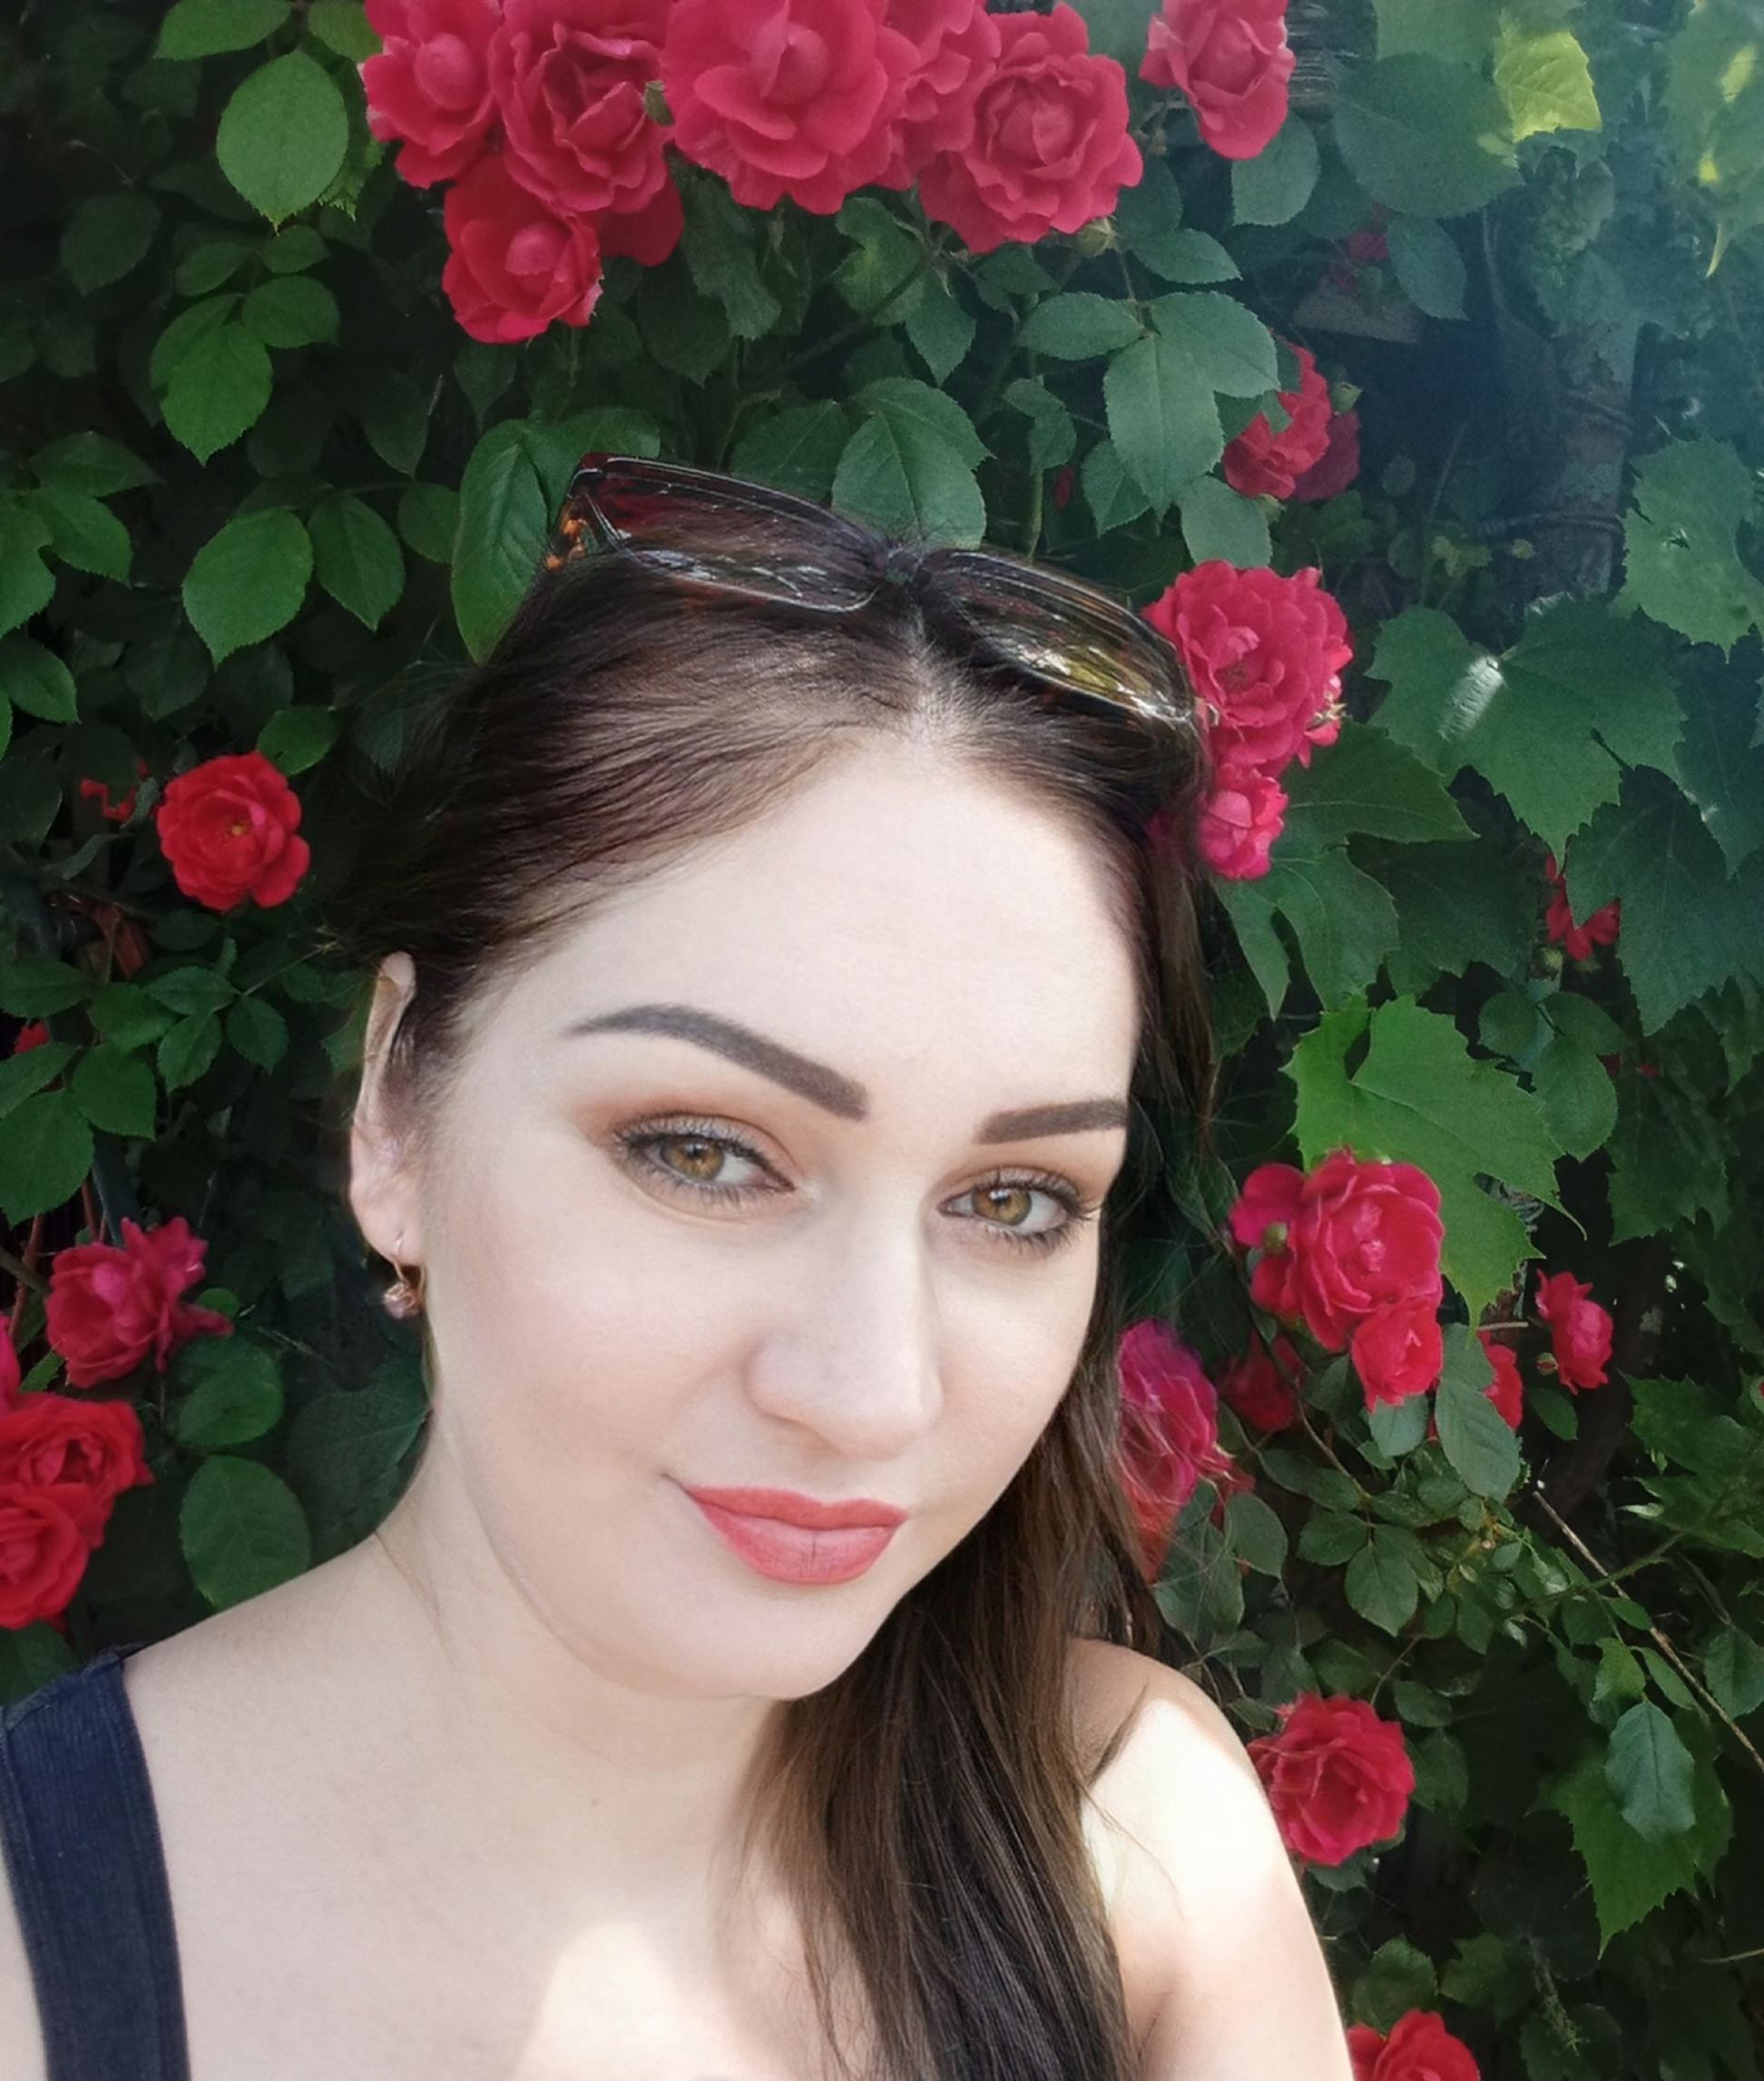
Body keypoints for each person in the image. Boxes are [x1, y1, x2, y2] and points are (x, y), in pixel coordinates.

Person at [0, 457, 1355, 2079]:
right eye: (703, 1153)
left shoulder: (1134, 1846)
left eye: (1013, 1198)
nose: (871, 1394)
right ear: (398, 1108)